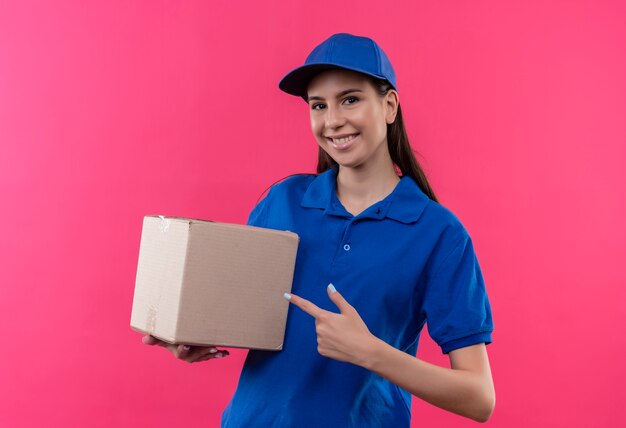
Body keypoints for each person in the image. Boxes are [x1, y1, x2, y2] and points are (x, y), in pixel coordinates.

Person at [142, 32, 495, 426]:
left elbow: (479, 397)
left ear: (390, 105)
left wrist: (369, 351)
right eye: (318, 105)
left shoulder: (439, 234)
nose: (332, 121)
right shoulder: (282, 202)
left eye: (350, 99)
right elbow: (250, 316)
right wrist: (196, 334)